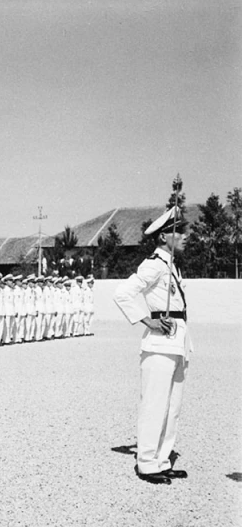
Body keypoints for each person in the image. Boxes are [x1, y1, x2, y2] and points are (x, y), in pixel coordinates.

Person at [114, 207, 191, 485]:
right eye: (179, 231)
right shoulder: (155, 264)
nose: (185, 236)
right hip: (159, 346)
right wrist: (149, 321)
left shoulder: (170, 264)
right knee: (155, 405)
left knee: (172, 407)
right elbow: (123, 293)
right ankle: (146, 463)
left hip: (176, 344)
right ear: (163, 237)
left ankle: (162, 459)